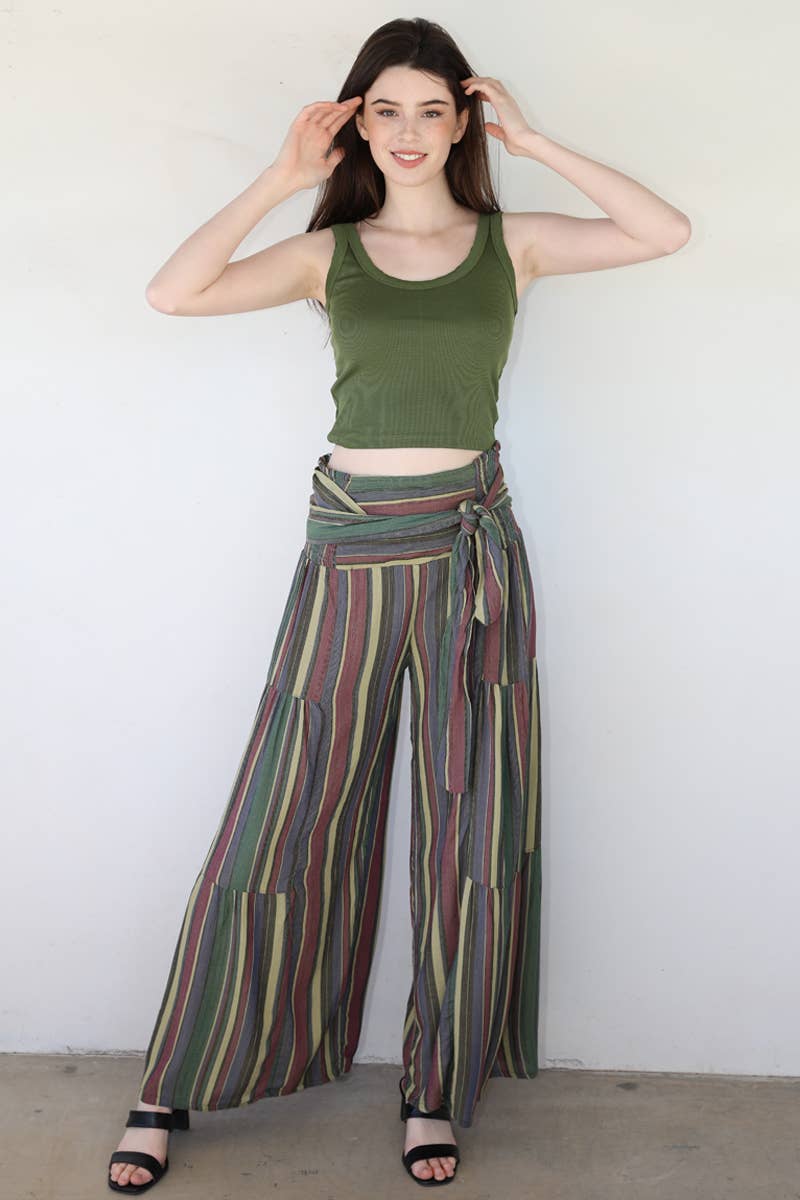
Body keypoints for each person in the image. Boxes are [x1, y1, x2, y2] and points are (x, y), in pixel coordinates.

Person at [107, 16, 691, 1195]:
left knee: (469, 820)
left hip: (472, 556)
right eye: (386, 110)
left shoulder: (510, 245)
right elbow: (173, 293)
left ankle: (433, 1088)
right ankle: (172, 1079)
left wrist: (532, 139)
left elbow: (661, 230)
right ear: (355, 123)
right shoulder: (328, 254)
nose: (410, 131)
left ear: (463, 120)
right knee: (282, 810)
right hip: (352, 552)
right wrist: (282, 178)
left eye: (433, 110)